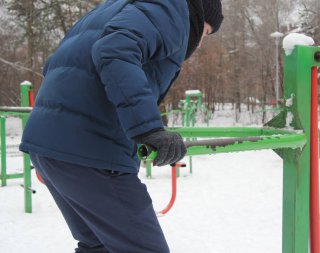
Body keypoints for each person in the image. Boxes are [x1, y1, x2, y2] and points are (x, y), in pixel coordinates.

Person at [19, 0, 223, 252]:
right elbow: (114, 49)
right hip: (91, 150)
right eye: (204, 32)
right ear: (198, 13)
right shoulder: (172, 9)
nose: (200, 43)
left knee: (98, 245)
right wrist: (148, 129)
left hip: (51, 145)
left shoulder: (113, 8)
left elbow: (59, 62)